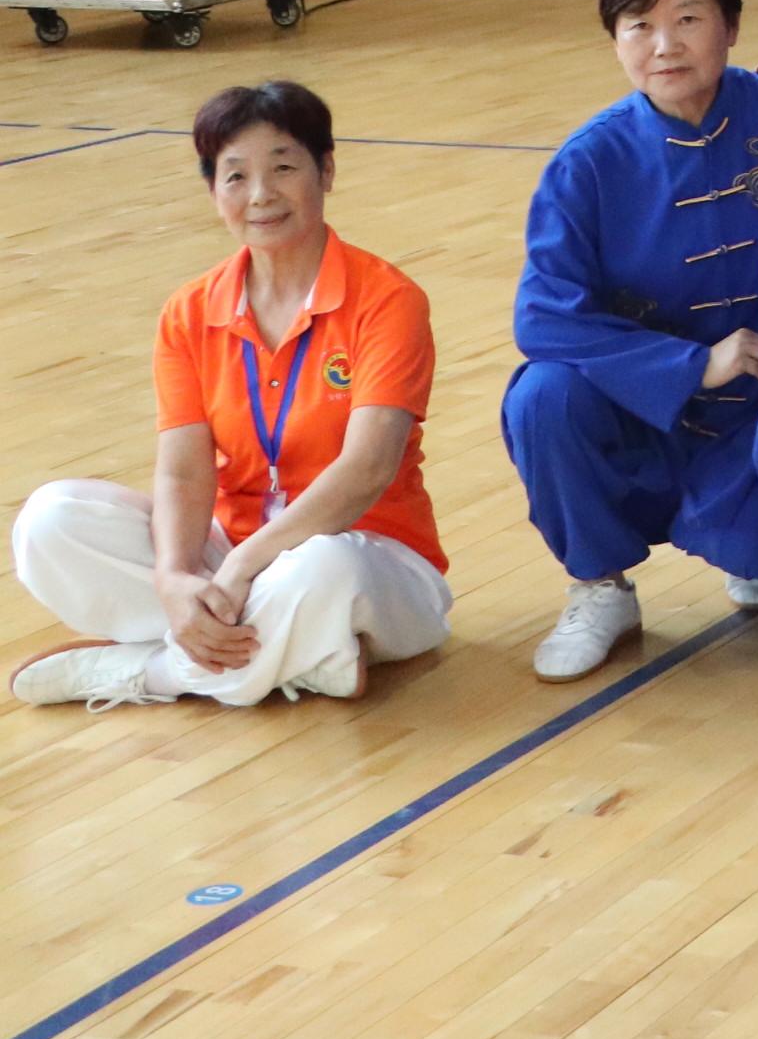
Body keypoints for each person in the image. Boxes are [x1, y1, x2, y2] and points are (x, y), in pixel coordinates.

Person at [13, 85, 452, 711]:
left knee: (323, 569)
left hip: (372, 563)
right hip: (232, 560)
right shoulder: (189, 311)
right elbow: (183, 470)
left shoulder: (387, 300)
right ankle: (303, 653)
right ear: (213, 191)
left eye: (283, 167)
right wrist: (175, 577)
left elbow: (366, 469)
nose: (261, 194)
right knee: (51, 520)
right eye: (236, 176)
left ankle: (148, 671)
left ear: (326, 171)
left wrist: (242, 568)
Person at [509, 0, 758, 682]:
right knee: (542, 396)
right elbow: (544, 316)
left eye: (688, 19)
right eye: (639, 24)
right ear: (615, 39)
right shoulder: (589, 162)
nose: (664, 46)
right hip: (649, 416)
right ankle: (597, 586)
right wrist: (692, 365)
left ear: (732, 25)